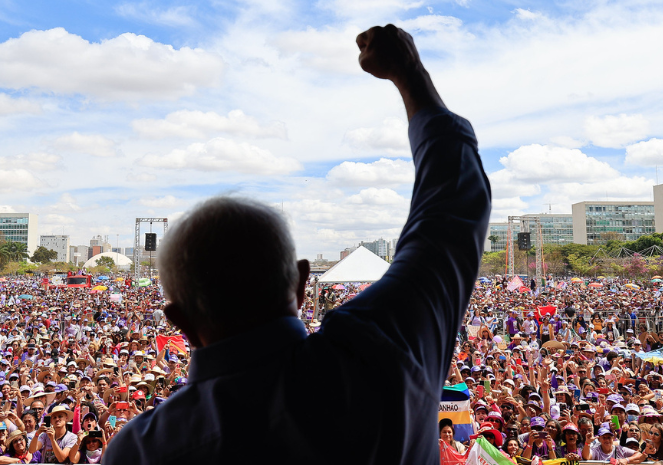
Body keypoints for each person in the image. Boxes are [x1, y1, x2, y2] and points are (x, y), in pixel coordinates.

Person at [103, 24, 490, 464]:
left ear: (180, 320)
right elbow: (451, 210)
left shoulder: (144, 451)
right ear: (303, 282)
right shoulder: (383, 352)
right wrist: (409, 72)